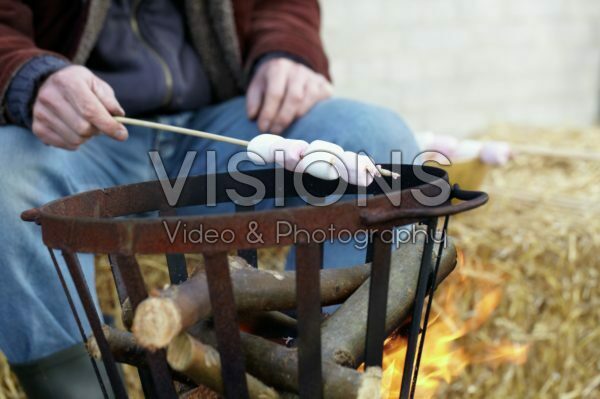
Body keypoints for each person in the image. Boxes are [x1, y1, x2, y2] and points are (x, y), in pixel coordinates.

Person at [0, 0, 418, 397]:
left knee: (372, 138)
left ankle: (313, 371)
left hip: (222, 126)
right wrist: (27, 74)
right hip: (74, 138)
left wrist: (287, 50)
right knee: (5, 173)